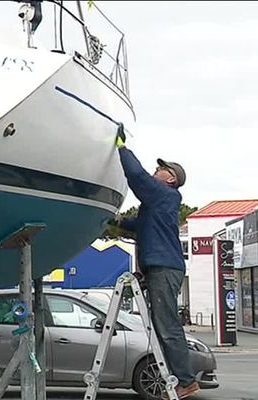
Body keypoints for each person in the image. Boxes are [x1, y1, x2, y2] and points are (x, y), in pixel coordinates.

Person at [113, 124, 199, 399]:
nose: (155, 170)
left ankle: (185, 380)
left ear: (170, 179)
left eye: (161, 169)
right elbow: (139, 225)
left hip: (164, 267)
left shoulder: (165, 194)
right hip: (160, 266)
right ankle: (179, 377)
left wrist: (121, 147)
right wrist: (114, 221)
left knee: (168, 325)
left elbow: (136, 176)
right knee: (162, 325)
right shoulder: (157, 203)